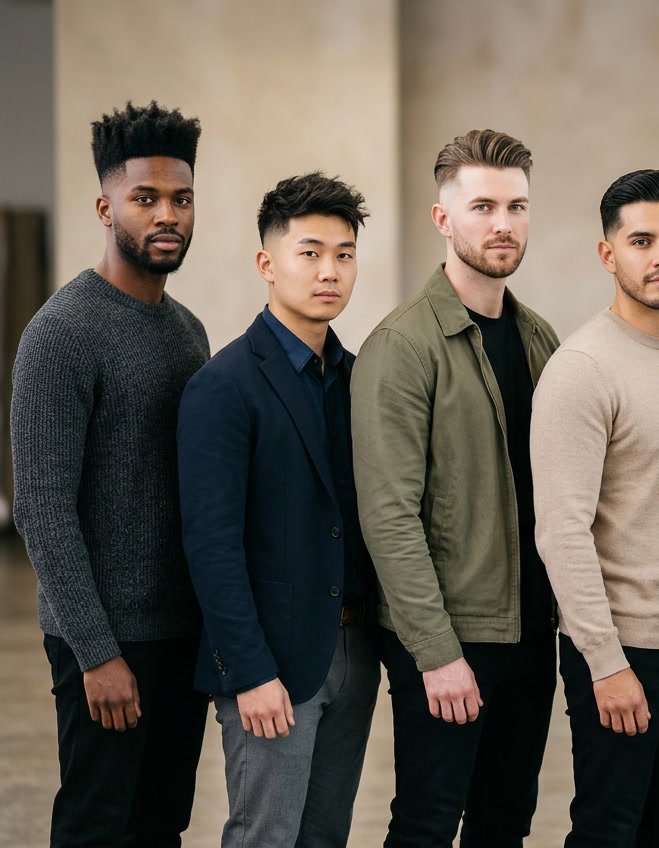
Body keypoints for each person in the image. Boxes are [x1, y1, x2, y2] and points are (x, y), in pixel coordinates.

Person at [10, 100, 209, 847]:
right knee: (98, 827)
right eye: (146, 198)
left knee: (162, 826)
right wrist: (97, 654)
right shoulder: (60, 335)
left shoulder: (189, 332)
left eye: (181, 199)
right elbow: (42, 508)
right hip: (102, 642)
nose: (168, 215)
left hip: (179, 636)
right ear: (105, 206)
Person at [352, 129, 559, 847]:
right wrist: (436, 654)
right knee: (427, 825)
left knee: (505, 824)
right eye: (482, 206)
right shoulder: (402, 346)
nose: (501, 224)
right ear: (444, 220)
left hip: (531, 634)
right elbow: (388, 514)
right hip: (450, 639)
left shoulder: (539, 338)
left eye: (516, 206)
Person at [532, 169, 659, 848]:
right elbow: (561, 531)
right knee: (607, 832)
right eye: (641, 240)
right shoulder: (582, 369)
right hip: (626, 652)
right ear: (608, 254)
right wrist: (604, 660)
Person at [178, 172, 378, 847]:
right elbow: (211, 544)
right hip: (270, 661)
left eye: (345, 254)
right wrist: (251, 673)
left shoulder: (356, 380)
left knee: (325, 838)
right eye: (311, 252)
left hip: (352, 649)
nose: (330, 271)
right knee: (265, 837)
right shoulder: (224, 386)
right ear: (268, 264)